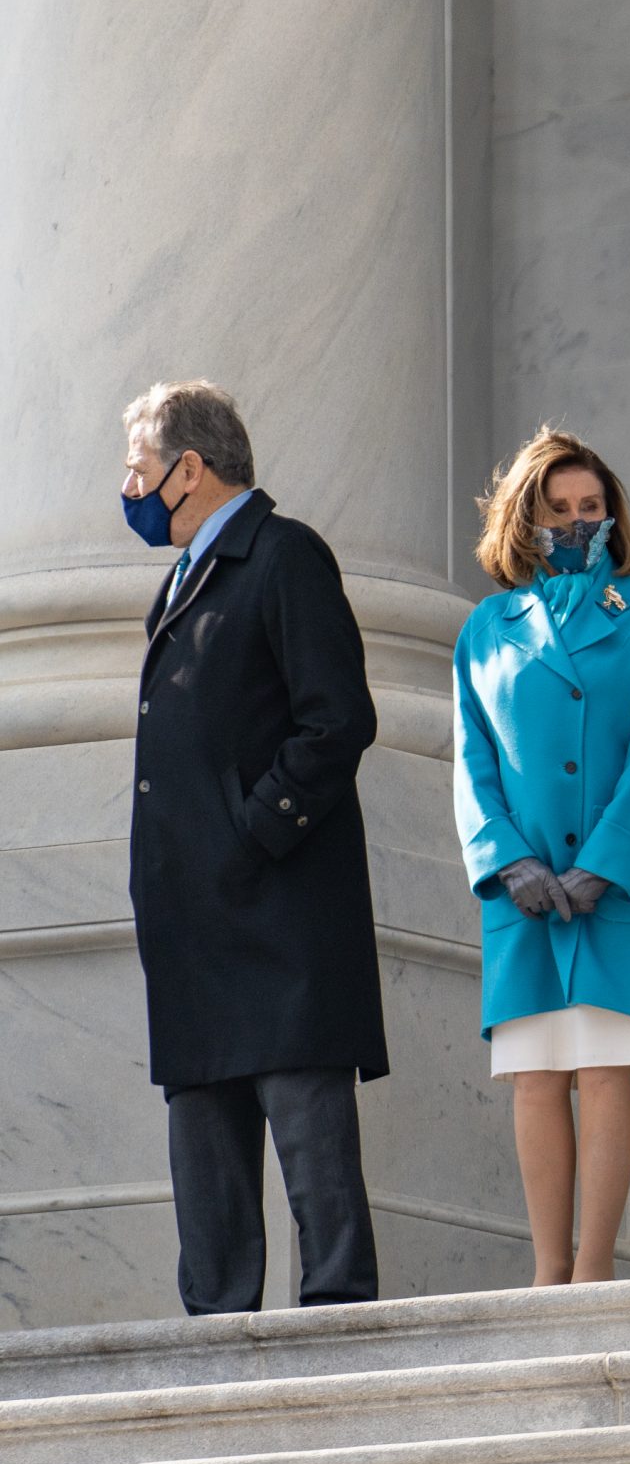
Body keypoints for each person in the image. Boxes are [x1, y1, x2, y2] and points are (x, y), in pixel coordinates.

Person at [120, 379, 385, 1315]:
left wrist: (255, 829)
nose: (131, 487)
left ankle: (340, 1352)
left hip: (280, 928)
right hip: (194, 930)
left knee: (318, 1179)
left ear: (189, 468)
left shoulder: (283, 555)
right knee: (209, 1189)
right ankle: (216, 1355)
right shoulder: (185, 574)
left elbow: (337, 720)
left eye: (140, 469)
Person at [453, 429, 630, 1286]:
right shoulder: (485, 627)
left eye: (591, 508)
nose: (577, 522)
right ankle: (546, 1275)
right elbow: (471, 759)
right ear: (527, 518)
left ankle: (594, 1273)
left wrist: (605, 862)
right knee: (533, 1076)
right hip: (520, 892)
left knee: (603, 1072)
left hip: (615, 888)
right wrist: (507, 860)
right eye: (559, 510)